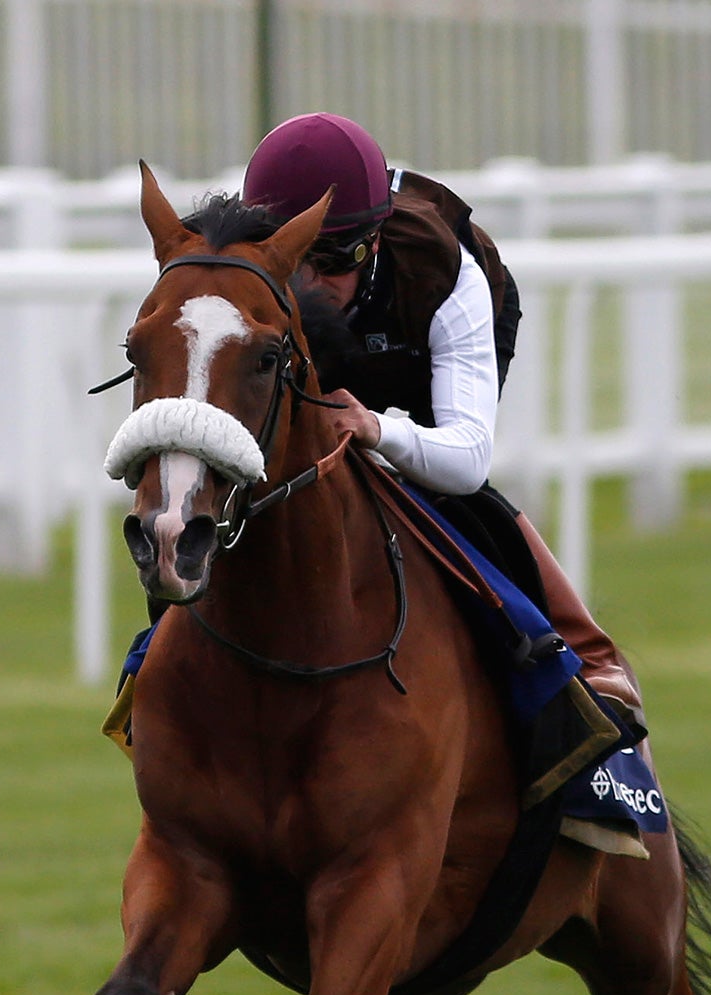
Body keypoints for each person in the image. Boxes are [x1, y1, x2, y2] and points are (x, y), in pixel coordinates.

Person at [241, 112, 645, 735]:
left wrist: (377, 429)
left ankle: (586, 660)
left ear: (372, 242)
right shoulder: (246, 272)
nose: (314, 285)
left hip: (417, 342)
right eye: (297, 261)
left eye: (335, 258)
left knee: (440, 494)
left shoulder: (445, 275)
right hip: (301, 349)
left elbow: (466, 457)